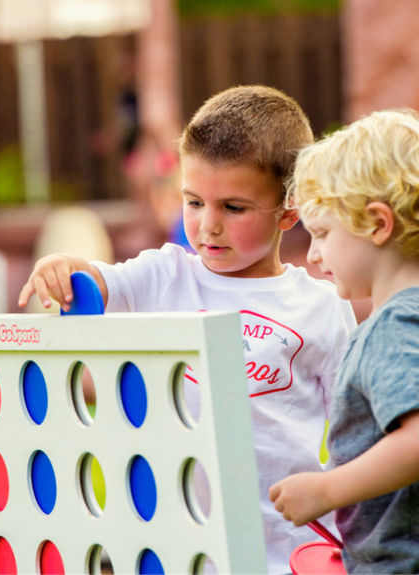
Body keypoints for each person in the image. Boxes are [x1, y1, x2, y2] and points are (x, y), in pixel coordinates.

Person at [19, 85, 357, 574]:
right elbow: (97, 283)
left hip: (278, 551)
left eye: (233, 208)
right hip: (165, 546)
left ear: (288, 211)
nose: (207, 226)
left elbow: (351, 431)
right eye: (194, 202)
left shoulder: (320, 307)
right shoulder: (163, 274)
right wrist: (63, 265)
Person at [269, 109, 419, 573]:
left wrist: (327, 490)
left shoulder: (394, 328)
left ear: (376, 224)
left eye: (322, 233)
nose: (313, 255)